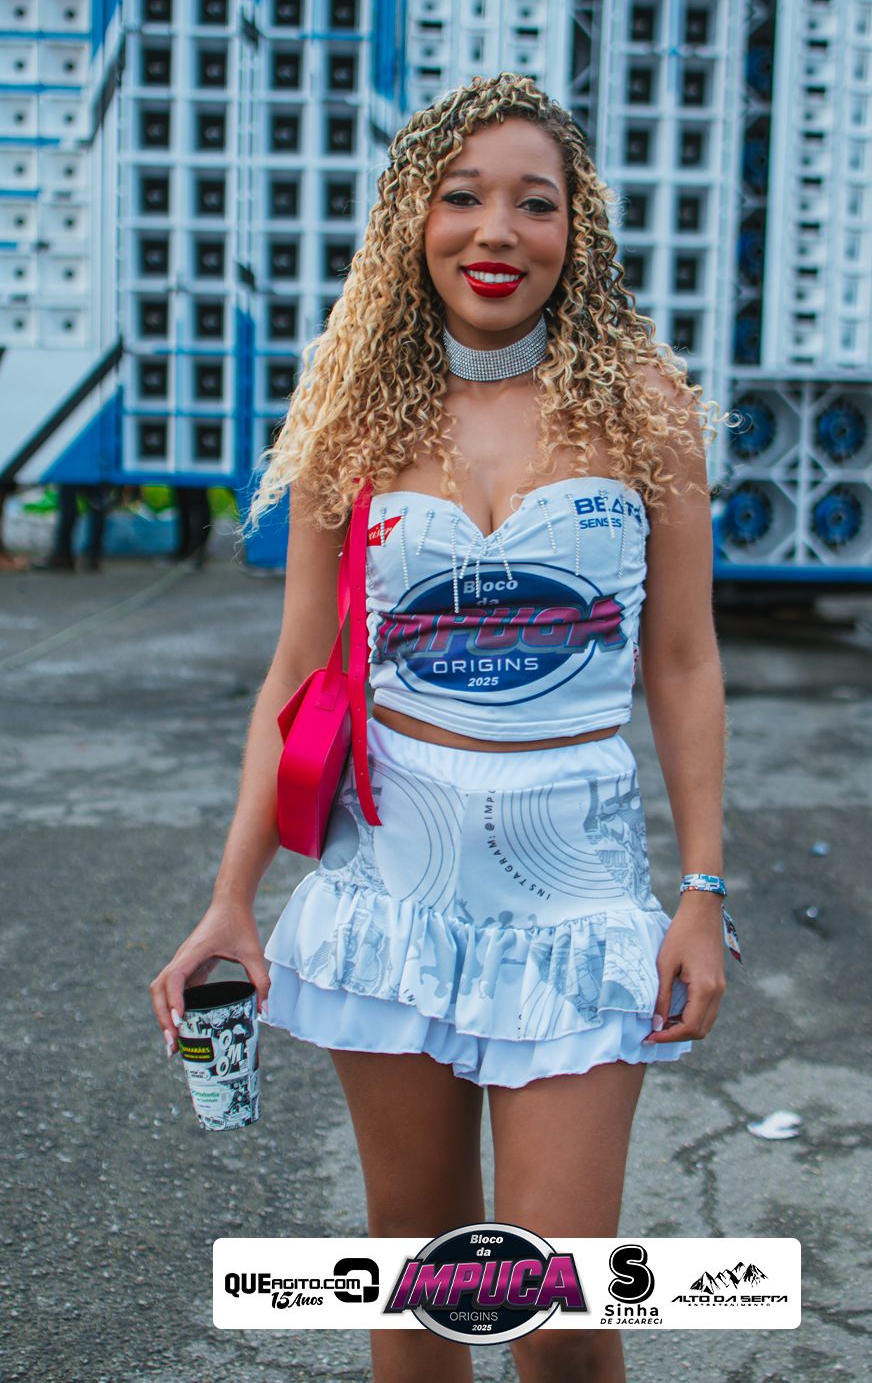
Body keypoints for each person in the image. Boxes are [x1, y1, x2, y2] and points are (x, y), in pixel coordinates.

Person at [150, 72, 738, 1383]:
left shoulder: (644, 406)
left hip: (575, 899)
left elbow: (685, 661)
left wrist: (701, 890)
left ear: (575, 231)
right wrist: (231, 899)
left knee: (557, 1309)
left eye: (535, 203)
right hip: (392, 893)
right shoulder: (355, 411)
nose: (496, 232)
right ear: (411, 220)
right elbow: (299, 670)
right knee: (421, 1281)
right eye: (462, 196)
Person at [30, 481, 114, 572]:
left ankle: (63, 555)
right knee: (97, 504)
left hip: (73, 474)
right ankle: (93, 556)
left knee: (68, 503)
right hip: (97, 474)